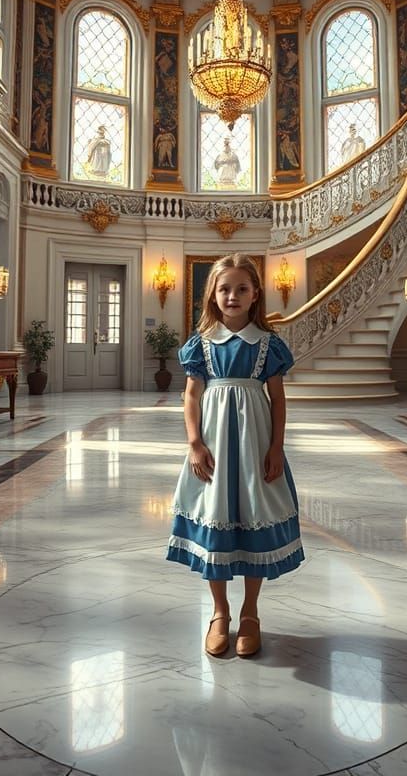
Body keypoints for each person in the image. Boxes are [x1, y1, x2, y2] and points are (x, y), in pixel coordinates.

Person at [167, 253, 304, 658]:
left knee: (254, 512)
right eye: (224, 289)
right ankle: (219, 612)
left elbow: (278, 400)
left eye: (241, 288)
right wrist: (195, 442)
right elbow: (191, 396)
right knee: (216, 514)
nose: (232, 296)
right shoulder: (201, 345)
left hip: (255, 443)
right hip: (213, 445)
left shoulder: (268, 345)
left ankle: (250, 613)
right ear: (212, 294)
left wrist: (276, 447)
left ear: (255, 294)